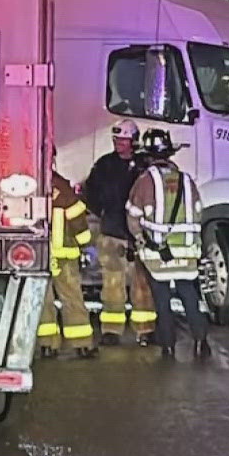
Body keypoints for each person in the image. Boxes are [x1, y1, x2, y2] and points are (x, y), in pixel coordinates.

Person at [126, 128, 211, 359]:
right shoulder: (187, 180)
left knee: (162, 301)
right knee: (190, 298)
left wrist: (141, 240)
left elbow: (132, 217)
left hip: (158, 254)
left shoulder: (144, 182)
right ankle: (201, 342)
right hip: (187, 253)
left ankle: (168, 346)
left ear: (148, 156)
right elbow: (198, 213)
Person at [83, 119, 156, 345]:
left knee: (142, 285)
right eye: (116, 139)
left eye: (123, 140)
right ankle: (111, 331)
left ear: (133, 141)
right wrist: (104, 212)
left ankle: (145, 330)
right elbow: (90, 194)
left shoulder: (145, 166)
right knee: (112, 284)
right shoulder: (104, 165)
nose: (118, 144)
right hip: (111, 232)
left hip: (138, 236)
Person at [39, 166, 98, 359]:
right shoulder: (61, 186)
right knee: (72, 297)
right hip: (64, 255)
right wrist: (85, 244)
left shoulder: (27, 185)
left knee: (42, 300)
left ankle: (47, 345)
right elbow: (77, 219)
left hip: (39, 255)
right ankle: (81, 344)